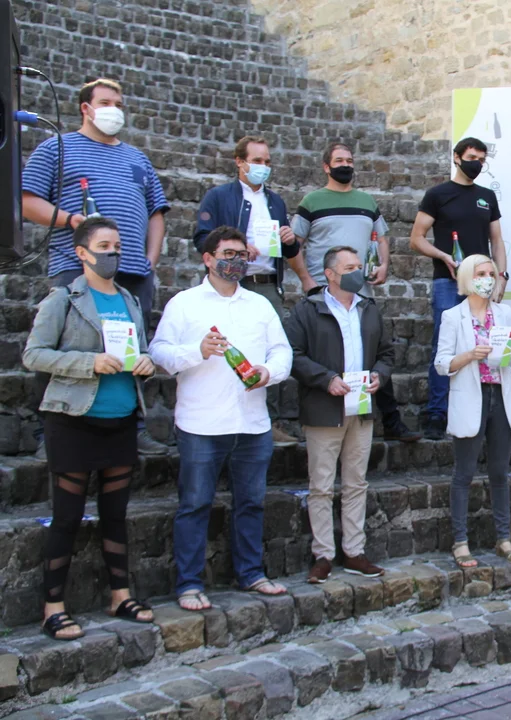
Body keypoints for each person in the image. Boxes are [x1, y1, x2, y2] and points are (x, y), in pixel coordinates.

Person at [22, 217, 156, 640]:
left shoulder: (130, 299)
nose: (112, 253)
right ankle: (53, 607)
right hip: (73, 420)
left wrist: (147, 362)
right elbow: (34, 355)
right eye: (104, 246)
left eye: (117, 246)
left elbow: (140, 350)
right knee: (67, 518)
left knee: (116, 515)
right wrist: (89, 363)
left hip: (121, 419)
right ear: (82, 253)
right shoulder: (63, 298)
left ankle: (120, 595)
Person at [22, 78, 170, 456]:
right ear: (85, 108)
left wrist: (151, 259)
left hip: (132, 271)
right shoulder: (56, 147)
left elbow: (156, 212)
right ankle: (50, 431)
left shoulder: (138, 158)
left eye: (118, 103)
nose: (114, 110)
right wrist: (70, 220)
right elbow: (27, 201)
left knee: (133, 351)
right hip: (78, 268)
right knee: (66, 344)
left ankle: (133, 427)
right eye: (106, 102)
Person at [149, 226, 293, 610]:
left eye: (242, 255)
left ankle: (251, 573)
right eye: (228, 254)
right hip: (201, 423)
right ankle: (189, 584)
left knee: (252, 503)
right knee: (195, 505)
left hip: (252, 422)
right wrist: (196, 351)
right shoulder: (184, 303)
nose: (236, 261)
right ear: (208, 259)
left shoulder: (260, 305)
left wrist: (268, 372)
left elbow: (282, 351)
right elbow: (159, 353)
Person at [292, 143, 419, 442]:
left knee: (372, 355)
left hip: (361, 294)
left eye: (349, 160)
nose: (345, 165)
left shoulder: (366, 201)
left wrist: (384, 265)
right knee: (326, 356)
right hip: (324, 293)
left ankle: (391, 421)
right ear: (326, 167)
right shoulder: (312, 201)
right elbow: (294, 243)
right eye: (339, 160)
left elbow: (381, 238)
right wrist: (306, 279)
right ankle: (321, 425)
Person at [284, 246, 392, 583]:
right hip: (324, 408)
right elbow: (292, 354)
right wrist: (325, 379)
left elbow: (387, 353)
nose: (358, 272)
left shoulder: (369, 308)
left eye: (359, 266)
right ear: (330, 274)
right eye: (350, 268)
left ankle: (354, 551)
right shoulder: (307, 310)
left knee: (356, 482)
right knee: (321, 485)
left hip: (361, 409)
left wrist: (380, 375)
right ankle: (323, 555)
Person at [194, 135, 305, 446]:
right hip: (231, 283)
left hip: (266, 285)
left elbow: (289, 250)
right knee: (228, 348)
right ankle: (218, 417)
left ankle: (268, 421)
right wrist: (239, 245)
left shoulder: (276, 201)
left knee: (269, 352)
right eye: (257, 161)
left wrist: (289, 240)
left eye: (267, 161)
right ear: (239, 162)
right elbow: (201, 237)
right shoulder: (218, 197)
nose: (263, 166)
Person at [410, 137, 507, 440]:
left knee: (486, 342)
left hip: (482, 283)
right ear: (456, 157)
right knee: (444, 345)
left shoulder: (487, 197)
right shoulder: (437, 194)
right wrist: (443, 256)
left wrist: (502, 276)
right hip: (447, 280)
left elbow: (497, 240)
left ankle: (484, 409)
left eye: (481, 159)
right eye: (471, 157)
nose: (476, 163)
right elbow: (416, 238)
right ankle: (437, 413)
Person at [434, 255, 511, 568]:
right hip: (471, 398)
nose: (487, 278)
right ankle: (460, 541)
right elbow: (441, 363)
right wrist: (470, 355)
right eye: (480, 273)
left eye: (491, 273)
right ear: (467, 279)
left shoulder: (503, 312)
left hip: (501, 395)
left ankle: (503, 538)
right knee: (464, 473)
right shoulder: (452, 316)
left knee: (500, 472)